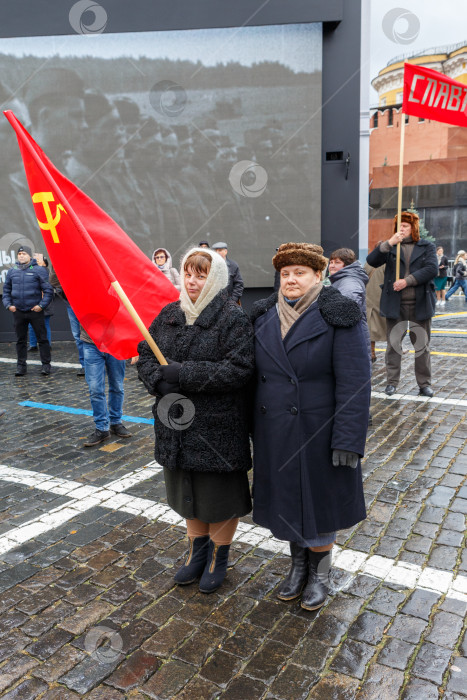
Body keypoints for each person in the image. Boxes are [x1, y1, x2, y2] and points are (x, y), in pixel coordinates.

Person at [251, 243, 370, 611]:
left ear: (318, 276)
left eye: (299, 273)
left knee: (319, 503)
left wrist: (349, 438)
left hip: (320, 430)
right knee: (287, 501)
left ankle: (319, 573)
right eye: (285, 274)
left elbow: (355, 380)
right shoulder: (265, 316)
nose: (291, 280)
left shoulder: (339, 315)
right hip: (277, 431)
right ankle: (297, 567)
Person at [137, 248, 254, 593]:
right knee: (187, 492)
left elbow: (240, 369)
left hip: (216, 428)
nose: (192, 281)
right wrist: (157, 380)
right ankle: (195, 553)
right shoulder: (169, 313)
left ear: (215, 278)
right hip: (175, 426)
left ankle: (219, 556)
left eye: (201, 275)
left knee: (217, 497)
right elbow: (145, 354)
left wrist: (185, 374)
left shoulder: (232, 318)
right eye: (188, 273)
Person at [366, 211, 437, 398]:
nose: (402, 229)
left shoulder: (426, 246)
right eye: (399, 226)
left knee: (421, 346)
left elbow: (431, 269)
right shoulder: (391, 247)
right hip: (394, 304)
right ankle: (391, 382)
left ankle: (424, 384)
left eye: (405, 226)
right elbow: (371, 261)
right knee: (394, 345)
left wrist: (408, 281)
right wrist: (389, 243)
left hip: (419, 303)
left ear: (413, 228)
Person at [2, 245, 53, 376]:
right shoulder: (12, 271)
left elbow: (48, 291)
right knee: (20, 340)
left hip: (35, 311)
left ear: (29, 256)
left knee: (42, 339)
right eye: (19, 254)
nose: (21, 256)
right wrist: (8, 305)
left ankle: (46, 365)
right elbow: (6, 290)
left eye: (24, 253)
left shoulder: (39, 270)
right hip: (18, 311)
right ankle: (21, 367)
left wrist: (41, 306)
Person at [81, 324, 132, 447]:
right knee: (95, 389)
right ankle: (102, 428)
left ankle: (116, 422)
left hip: (116, 340)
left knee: (117, 386)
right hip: (91, 342)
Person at [28, 254, 53, 351]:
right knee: (31, 325)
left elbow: (48, 289)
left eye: (38, 259)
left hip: (45, 303)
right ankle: (33, 345)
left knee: (45, 324)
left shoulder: (45, 272)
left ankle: (47, 344)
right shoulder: (33, 270)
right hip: (33, 302)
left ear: (44, 263)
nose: (36, 261)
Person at [363, 262, 387, 363]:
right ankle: (395, 349)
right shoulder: (387, 264)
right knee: (388, 325)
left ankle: (371, 352)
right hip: (382, 297)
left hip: (368, 297)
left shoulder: (368, 263)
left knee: (370, 325)